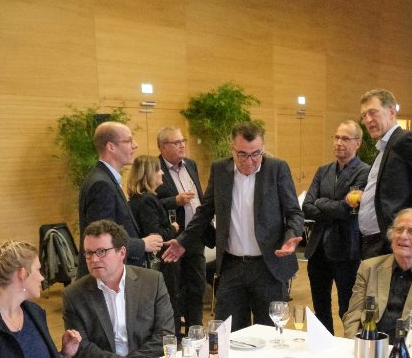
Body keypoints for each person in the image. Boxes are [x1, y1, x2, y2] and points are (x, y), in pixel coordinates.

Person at [162, 122, 304, 329]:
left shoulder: (276, 168)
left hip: (268, 266)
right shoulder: (220, 169)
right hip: (232, 267)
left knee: (269, 333)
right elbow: (205, 211)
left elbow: (294, 212)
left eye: (256, 154)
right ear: (232, 149)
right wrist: (183, 241)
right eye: (242, 155)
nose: (250, 161)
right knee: (227, 332)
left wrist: (291, 237)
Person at [65, 220, 174, 358]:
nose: (94, 259)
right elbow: (82, 349)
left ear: (122, 253)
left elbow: (164, 335)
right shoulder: (74, 295)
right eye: (89, 253)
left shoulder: (152, 281)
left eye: (101, 251)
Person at [355, 88, 412, 258]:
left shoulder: (404, 140)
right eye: (364, 116)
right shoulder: (385, 147)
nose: (368, 120)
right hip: (374, 242)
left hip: (393, 242)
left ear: (392, 112)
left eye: (373, 112)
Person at [302, 121, 371, 333]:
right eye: (337, 137)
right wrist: (335, 206)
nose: (339, 142)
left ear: (357, 143)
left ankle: (349, 347)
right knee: (320, 308)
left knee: (346, 309)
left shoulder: (364, 172)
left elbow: (346, 211)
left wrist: (321, 202)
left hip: (346, 250)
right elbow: (306, 206)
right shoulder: (323, 171)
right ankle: (326, 347)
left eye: (345, 138)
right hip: (317, 250)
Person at [342, 208, 412, 339]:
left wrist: (407, 349)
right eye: (399, 230)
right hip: (369, 343)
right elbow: (353, 315)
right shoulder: (369, 268)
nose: (403, 236)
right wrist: (355, 343)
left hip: (409, 347)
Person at [77, 121, 163, 276]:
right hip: (106, 276)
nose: (135, 145)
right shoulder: (101, 184)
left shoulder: (105, 178)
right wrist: (142, 244)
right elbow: (101, 238)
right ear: (111, 147)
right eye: (129, 140)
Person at [154, 126, 205, 336]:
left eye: (183, 141)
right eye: (176, 142)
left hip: (195, 237)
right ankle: (174, 336)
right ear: (163, 147)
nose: (182, 145)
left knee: (197, 287)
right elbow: (147, 203)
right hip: (172, 240)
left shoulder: (190, 165)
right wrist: (174, 201)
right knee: (174, 290)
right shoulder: (155, 169)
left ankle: (196, 332)